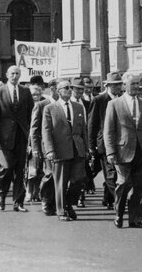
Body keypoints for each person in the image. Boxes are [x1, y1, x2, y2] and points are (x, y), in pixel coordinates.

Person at [104, 73, 142, 228]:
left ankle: (134, 219)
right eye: (132, 84)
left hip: (141, 151)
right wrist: (110, 152)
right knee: (123, 184)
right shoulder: (114, 104)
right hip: (122, 151)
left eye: (137, 84)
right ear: (124, 85)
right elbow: (109, 130)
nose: (135, 87)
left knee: (138, 187)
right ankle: (118, 214)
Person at [0, 65, 35, 212]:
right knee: (7, 168)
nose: (14, 76)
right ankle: (1, 196)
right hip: (4, 138)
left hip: (22, 137)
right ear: (7, 75)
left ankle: (18, 202)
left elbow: (31, 116)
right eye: (12, 73)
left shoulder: (25, 92)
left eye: (17, 73)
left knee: (21, 171)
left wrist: (31, 137)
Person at [43, 79, 89, 222]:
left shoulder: (78, 107)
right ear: (58, 91)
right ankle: (61, 211)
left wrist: (86, 148)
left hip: (77, 149)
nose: (69, 90)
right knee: (61, 182)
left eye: (70, 88)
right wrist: (49, 150)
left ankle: (69, 203)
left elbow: (83, 130)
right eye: (66, 88)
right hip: (60, 150)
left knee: (77, 180)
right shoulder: (50, 108)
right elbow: (46, 131)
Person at [89, 72, 124, 210]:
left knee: (116, 172)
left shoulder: (122, 99)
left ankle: (108, 198)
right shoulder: (99, 100)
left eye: (119, 84)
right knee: (111, 174)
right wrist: (92, 146)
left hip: (120, 142)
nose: (118, 87)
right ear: (107, 85)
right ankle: (118, 201)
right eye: (115, 85)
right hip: (104, 143)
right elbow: (92, 124)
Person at [26, 75, 55, 214]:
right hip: (31, 143)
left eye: (38, 94)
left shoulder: (46, 104)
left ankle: (39, 193)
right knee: (32, 170)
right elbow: (32, 128)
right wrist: (33, 145)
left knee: (41, 170)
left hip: (42, 143)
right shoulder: (29, 105)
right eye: (33, 94)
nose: (35, 96)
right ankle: (29, 191)